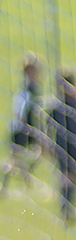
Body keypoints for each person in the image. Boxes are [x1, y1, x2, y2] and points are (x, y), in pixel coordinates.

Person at [0, 52, 45, 196]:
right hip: (23, 128)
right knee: (14, 160)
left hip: (26, 128)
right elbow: (22, 108)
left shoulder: (30, 86)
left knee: (40, 153)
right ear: (30, 71)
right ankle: (4, 185)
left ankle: (26, 177)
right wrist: (24, 122)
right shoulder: (29, 88)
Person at [46, 68, 76, 226]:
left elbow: (48, 128)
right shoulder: (57, 106)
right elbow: (49, 127)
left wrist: (49, 145)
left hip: (62, 147)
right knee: (67, 178)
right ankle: (66, 210)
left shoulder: (55, 105)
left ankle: (66, 210)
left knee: (67, 177)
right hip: (65, 147)